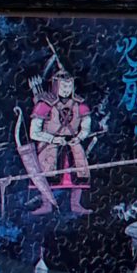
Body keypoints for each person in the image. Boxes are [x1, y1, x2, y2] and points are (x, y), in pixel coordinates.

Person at [29, 68, 93, 216]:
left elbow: (85, 128)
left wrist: (79, 137)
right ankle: (47, 204)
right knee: (46, 175)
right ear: (56, 85)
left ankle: (76, 205)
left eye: (69, 86)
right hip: (50, 147)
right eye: (63, 86)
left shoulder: (80, 105)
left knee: (79, 175)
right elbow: (34, 132)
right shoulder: (43, 105)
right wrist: (52, 139)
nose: (66, 89)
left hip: (73, 146)